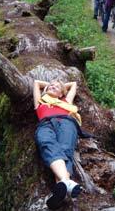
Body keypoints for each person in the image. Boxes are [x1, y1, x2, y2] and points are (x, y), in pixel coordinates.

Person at [33, 79, 83, 209]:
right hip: (45, 124)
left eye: (56, 86)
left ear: (62, 94)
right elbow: (36, 83)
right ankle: (67, 183)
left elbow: (73, 84)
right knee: (45, 143)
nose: (52, 86)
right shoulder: (40, 102)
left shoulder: (66, 101)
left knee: (65, 150)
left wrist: (60, 86)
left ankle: (61, 191)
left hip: (66, 123)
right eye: (51, 85)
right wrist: (51, 86)